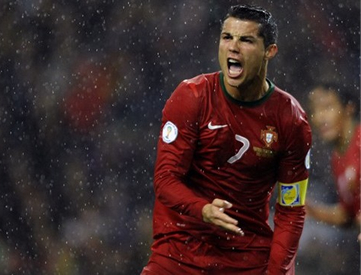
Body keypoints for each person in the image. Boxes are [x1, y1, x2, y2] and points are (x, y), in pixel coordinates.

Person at [141, 4, 312, 275]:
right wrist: (203, 209)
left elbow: (291, 209)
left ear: (270, 51)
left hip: (247, 256)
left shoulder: (290, 119)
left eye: (246, 40)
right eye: (227, 37)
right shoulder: (191, 97)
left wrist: (277, 272)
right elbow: (165, 179)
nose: (233, 47)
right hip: (180, 252)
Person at [305, 82, 360, 235]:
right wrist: (311, 211)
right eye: (314, 111)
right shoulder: (337, 159)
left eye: (327, 107)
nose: (319, 117)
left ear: (349, 108)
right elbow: (349, 215)